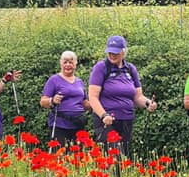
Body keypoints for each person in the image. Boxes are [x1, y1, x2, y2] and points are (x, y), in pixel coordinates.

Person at [88, 35, 157, 163]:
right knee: (115, 158)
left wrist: (148, 103)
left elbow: (137, 96)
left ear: (124, 51)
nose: (112, 55)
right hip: (107, 121)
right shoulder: (101, 68)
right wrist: (103, 115)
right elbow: (92, 97)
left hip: (126, 120)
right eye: (110, 52)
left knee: (123, 158)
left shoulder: (130, 69)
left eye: (116, 52)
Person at [41, 50, 89, 145]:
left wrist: (98, 103)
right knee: (60, 155)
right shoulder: (54, 80)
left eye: (71, 62)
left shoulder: (79, 82)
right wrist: (52, 100)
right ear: (61, 64)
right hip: (60, 124)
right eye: (65, 62)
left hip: (78, 124)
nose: (68, 65)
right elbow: (43, 102)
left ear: (75, 64)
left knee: (78, 157)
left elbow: (85, 103)